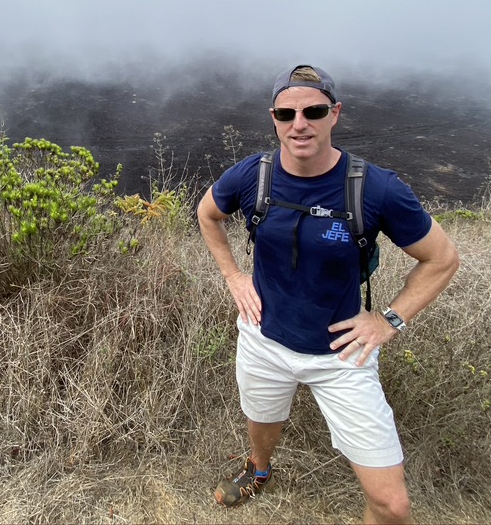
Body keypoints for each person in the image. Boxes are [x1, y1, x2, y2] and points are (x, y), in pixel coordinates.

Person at [197, 64, 460, 525]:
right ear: (274, 118)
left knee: (392, 505)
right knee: (262, 419)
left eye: (313, 111)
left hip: (342, 356)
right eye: (286, 113)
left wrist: (388, 320)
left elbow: (442, 259)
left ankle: (265, 468)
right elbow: (207, 213)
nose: (299, 124)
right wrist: (235, 278)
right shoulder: (253, 175)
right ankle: (259, 470)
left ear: (334, 114)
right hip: (263, 338)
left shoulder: (376, 188)